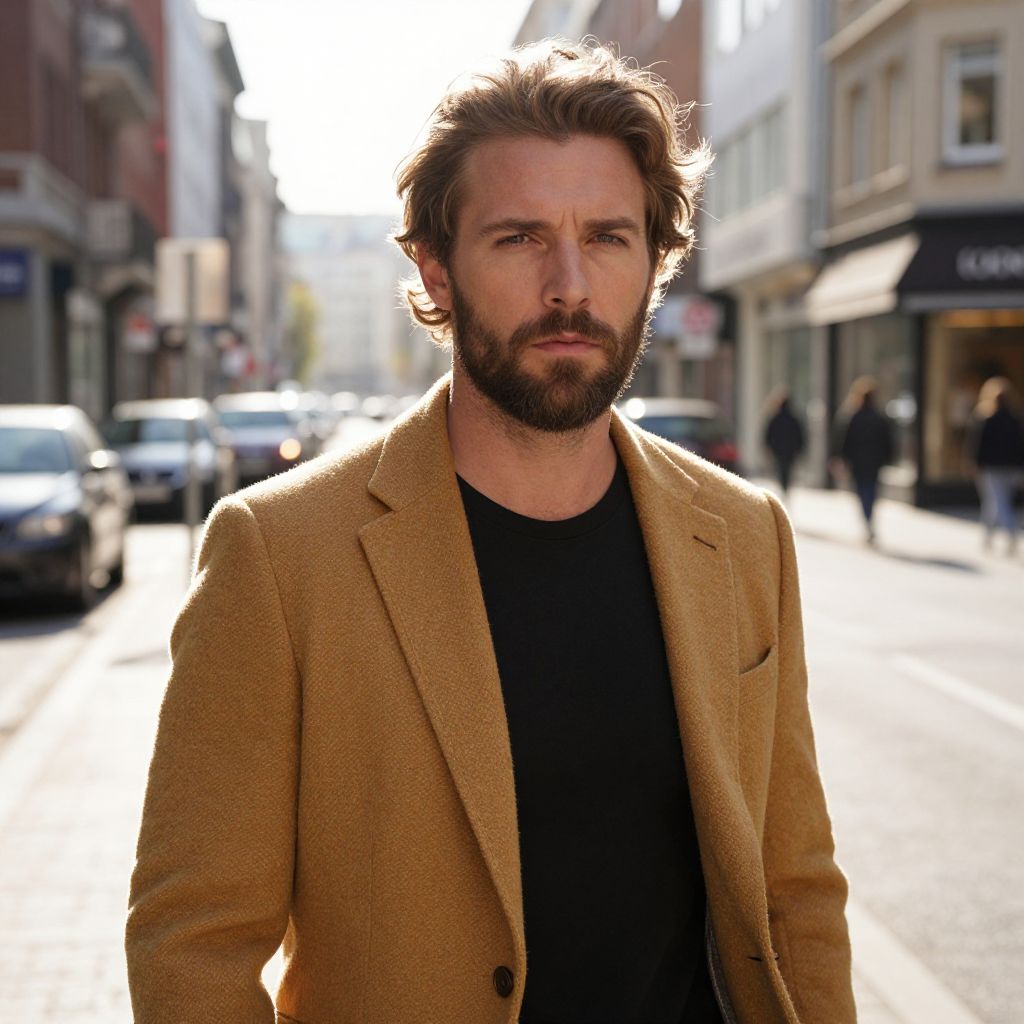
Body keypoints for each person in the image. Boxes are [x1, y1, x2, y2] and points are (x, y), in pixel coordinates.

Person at [126, 41, 854, 1024]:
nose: (569, 286)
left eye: (607, 237)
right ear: (435, 269)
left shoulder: (743, 532)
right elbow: (192, 947)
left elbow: (794, 883)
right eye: (518, 238)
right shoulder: (277, 555)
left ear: (654, 262)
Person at [832, 377, 894, 544]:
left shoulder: (854, 417)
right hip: (874, 462)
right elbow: (888, 441)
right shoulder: (879, 417)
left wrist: (841, 458)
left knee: (862, 491)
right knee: (871, 491)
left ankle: (868, 520)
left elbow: (845, 441)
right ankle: (869, 519)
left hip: (858, 462)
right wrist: (888, 458)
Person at [967, 376, 1024, 554]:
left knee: (999, 502)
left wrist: (974, 463)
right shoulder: (1013, 419)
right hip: (1008, 467)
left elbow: (977, 445)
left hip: (992, 467)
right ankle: (988, 535)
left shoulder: (986, 418)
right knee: (994, 501)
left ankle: (1011, 533)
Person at [763, 390, 806, 499]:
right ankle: (785, 487)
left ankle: (784, 486)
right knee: (787, 469)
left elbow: (768, 435)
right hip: (790, 450)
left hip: (778, 450)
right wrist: (800, 449)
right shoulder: (794, 418)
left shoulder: (775, 418)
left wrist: (768, 447)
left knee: (781, 469)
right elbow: (801, 436)